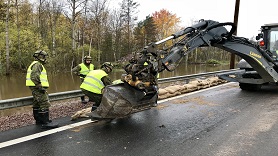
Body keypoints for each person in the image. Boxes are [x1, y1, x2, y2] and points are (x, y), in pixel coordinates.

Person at [26, 50, 58, 129]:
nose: (44, 58)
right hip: (37, 87)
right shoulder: (37, 64)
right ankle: (45, 122)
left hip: (35, 87)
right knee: (44, 103)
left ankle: (39, 120)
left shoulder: (36, 64)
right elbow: (34, 76)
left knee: (37, 103)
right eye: (43, 56)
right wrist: (40, 86)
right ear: (38, 57)